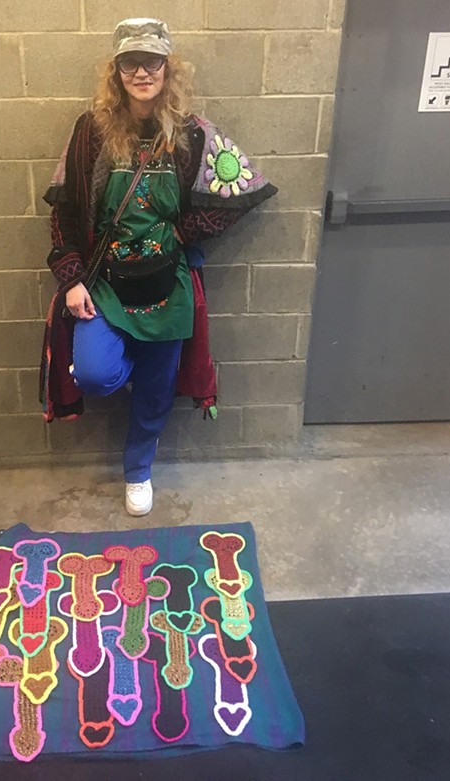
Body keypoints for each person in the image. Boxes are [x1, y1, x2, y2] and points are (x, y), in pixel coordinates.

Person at [40, 18, 277, 516]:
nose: (142, 72)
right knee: (96, 374)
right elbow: (64, 209)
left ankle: (138, 470)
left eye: (152, 61)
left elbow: (243, 188)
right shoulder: (90, 131)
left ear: (168, 68)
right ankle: (131, 352)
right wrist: (72, 278)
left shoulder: (192, 133)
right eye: (130, 62)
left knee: (156, 389)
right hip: (104, 286)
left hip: (168, 288)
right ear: (116, 71)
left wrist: (184, 233)